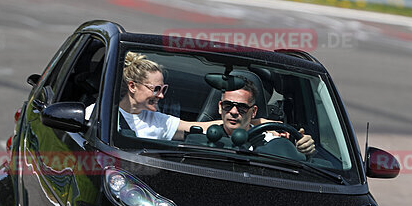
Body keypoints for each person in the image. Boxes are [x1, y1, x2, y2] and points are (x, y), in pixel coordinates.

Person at [108, 51, 315, 155]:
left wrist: (276, 127)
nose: (161, 96)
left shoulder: (157, 120)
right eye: (156, 89)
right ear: (133, 86)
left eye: (164, 90)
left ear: (252, 111)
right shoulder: (101, 115)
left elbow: (205, 127)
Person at [216, 80, 315, 155]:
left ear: (253, 112)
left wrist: (303, 148)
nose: (233, 112)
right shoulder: (203, 139)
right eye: (227, 105)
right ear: (220, 107)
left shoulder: (270, 143)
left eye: (242, 108)